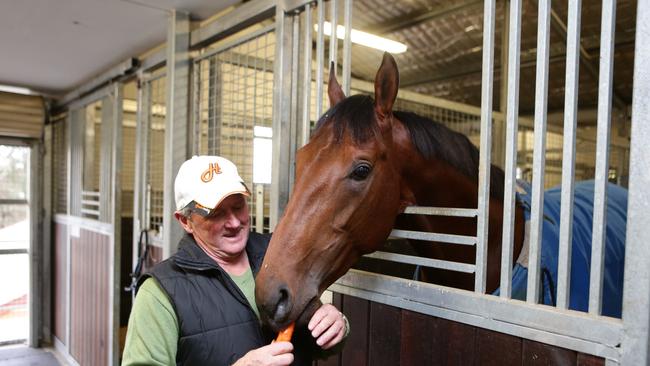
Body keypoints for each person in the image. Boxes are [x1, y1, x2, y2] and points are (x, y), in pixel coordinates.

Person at [122, 155, 348, 365]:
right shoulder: (161, 293)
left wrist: (335, 327)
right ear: (185, 221)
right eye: (216, 213)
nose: (234, 222)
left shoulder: (281, 255)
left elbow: (314, 338)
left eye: (238, 206)